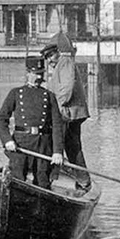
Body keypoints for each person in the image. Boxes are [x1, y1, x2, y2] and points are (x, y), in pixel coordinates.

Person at [0, 55, 65, 189]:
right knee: (17, 180)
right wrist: (7, 140)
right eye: (35, 74)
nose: (39, 77)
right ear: (27, 73)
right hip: (21, 144)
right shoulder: (15, 93)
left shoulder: (49, 96)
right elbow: (1, 119)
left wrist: (57, 151)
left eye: (41, 74)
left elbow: (57, 125)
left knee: (43, 181)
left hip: (43, 145)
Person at [41, 32, 91, 190]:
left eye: (51, 56)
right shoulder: (62, 64)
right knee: (70, 145)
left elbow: (67, 88)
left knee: (61, 144)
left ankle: (54, 178)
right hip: (70, 112)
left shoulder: (65, 62)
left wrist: (53, 106)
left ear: (58, 53)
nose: (49, 60)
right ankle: (80, 178)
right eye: (46, 57)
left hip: (69, 113)